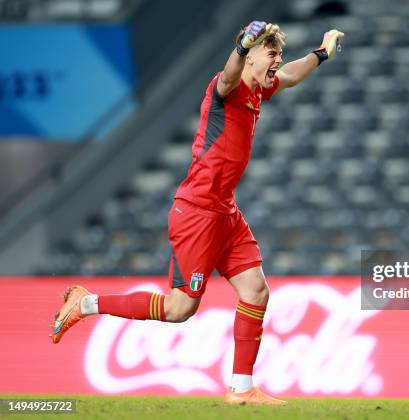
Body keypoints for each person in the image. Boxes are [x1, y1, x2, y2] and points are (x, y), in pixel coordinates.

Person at [50, 20, 345, 405]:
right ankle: (86, 303)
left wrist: (321, 53)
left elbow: (290, 75)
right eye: (271, 53)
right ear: (252, 55)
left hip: (224, 211)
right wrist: (240, 48)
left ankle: (241, 389)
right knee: (179, 309)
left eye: (278, 54)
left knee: (256, 290)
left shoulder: (260, 87)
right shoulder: (227, 87)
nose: (277, 61)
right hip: (198, 211)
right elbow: (227, 77)